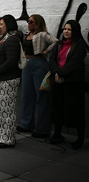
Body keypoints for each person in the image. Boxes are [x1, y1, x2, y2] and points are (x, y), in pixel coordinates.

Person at [17, 14, 58, 138]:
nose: (29, 24)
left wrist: (45, 52)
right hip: (27, 65)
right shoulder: (26, 35)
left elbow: (56, 42)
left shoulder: (42, 34)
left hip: (39, 64)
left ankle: (41, 128)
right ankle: (26, 124)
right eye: (28, 21)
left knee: (41, 96)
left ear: (38, 24)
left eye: (32, 22)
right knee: (27, 95)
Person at [49, 20, 87, 150]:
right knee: (58, 108)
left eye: (69, 29)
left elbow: (74, 63)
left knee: (75, 111)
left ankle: (80, 138)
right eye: (65, 29)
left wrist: (60, 74)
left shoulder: (80, 45)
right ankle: (57, 134)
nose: (66, 31)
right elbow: (52, 59)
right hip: (58, 82)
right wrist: (56, 73)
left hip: (72, 83)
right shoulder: (59, 44)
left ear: (75, 31)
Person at [0, 15, 22, 148]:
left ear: (8, 24)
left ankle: (7, 139)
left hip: (8, 79)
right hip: (2, 79)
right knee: (2, 109)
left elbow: (12, 60)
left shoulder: (12, 40)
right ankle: (3, 136)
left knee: (7, 110)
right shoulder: (5, 39)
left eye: (1, 24)